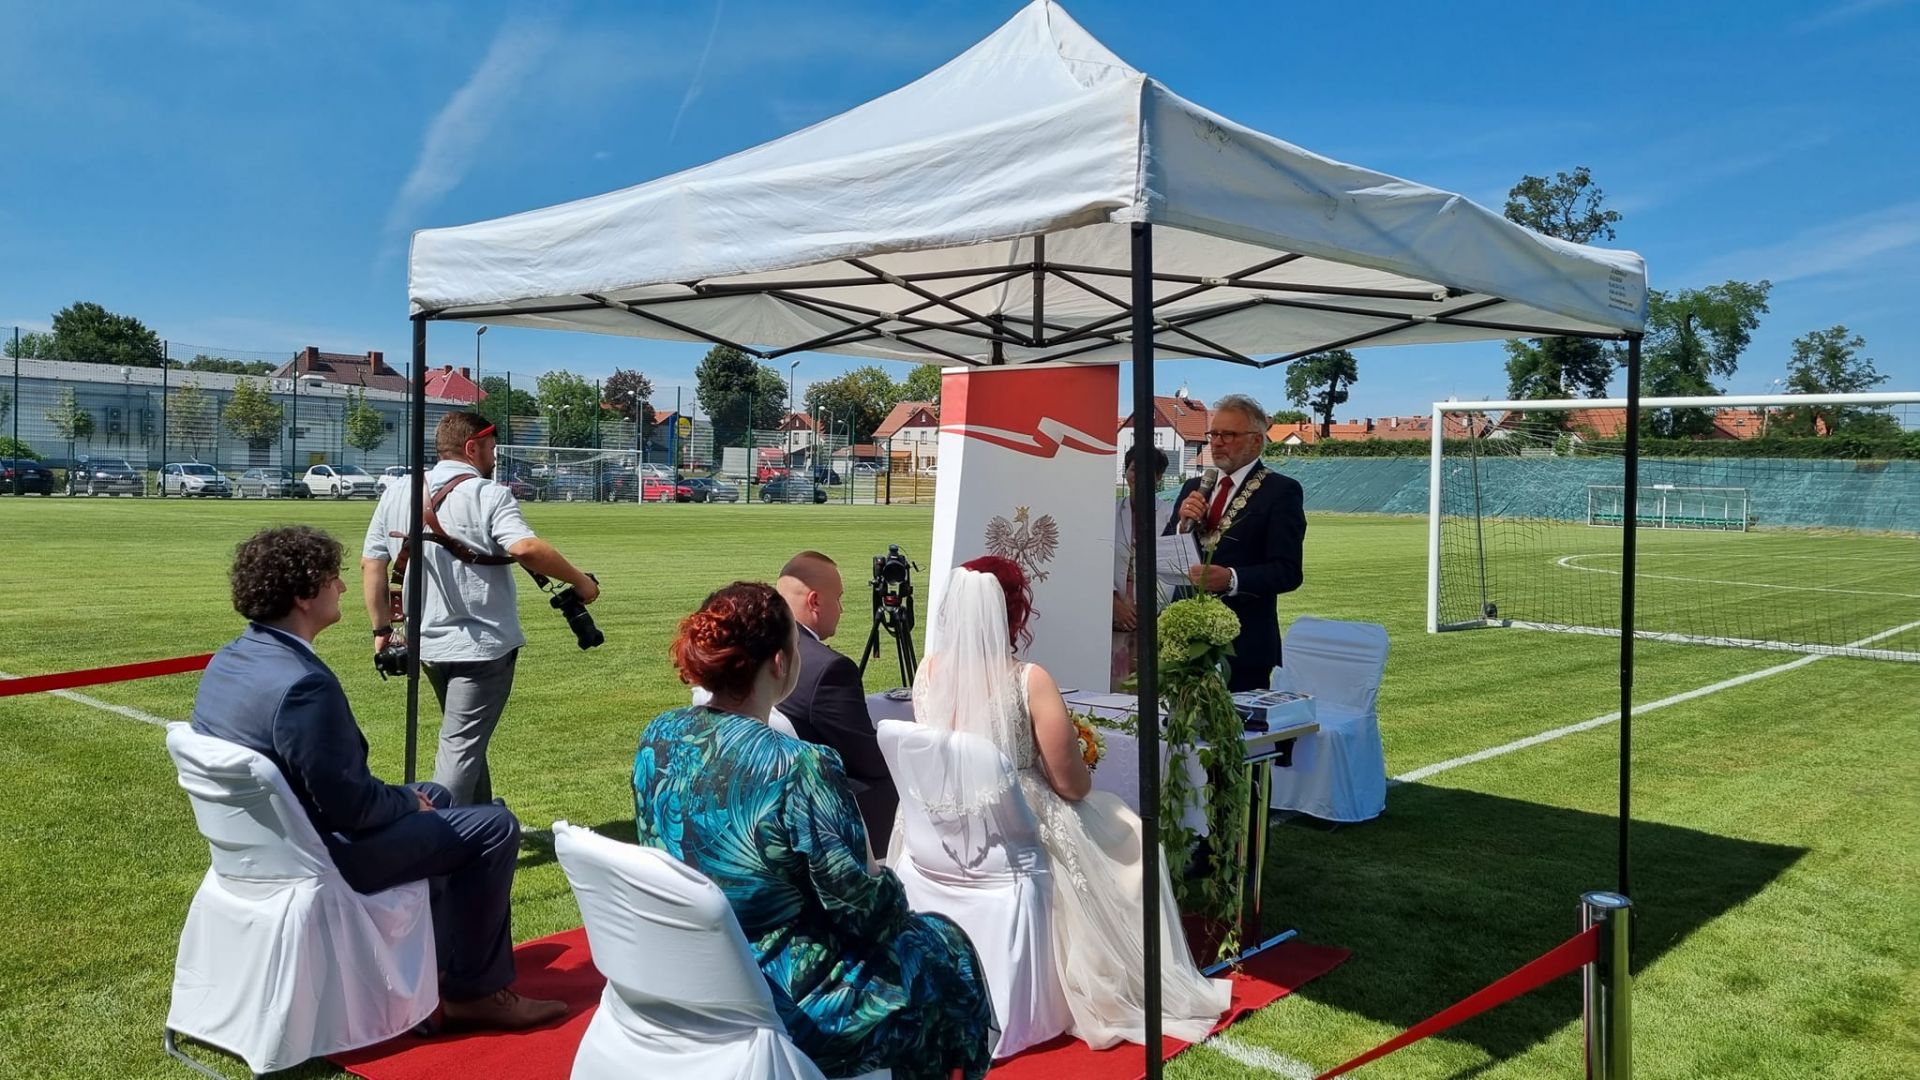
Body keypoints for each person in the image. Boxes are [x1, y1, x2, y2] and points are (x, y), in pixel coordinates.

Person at [191, 526, 567, 1030]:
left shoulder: (232, 658)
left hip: (264, 846)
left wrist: (413, 800)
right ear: (304, 596)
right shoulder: (304, 685)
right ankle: (474, 990)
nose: (343, 588)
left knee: (435, 793)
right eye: (332, 578)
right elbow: (350, 807)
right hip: (321, 854)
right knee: (494, 827)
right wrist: (407, 805)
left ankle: (434, 969)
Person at [636, 582, 994, 1080]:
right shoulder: (798, 764)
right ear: (781, 663)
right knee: (943, 952)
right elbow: (864, 911)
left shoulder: (660, 734)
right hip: (789, 992)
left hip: (691, 967)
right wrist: (887, 881)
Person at [907, 556, 1230, 1049]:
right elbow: (1072, 785)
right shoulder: (1028, 679)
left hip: (944, 830)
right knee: (1133, 834)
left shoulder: (927, 673)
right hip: (1012, 824)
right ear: (1015, 611)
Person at [361, 411, 600, 805]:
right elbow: (525, 548)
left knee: (465, 740)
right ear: (472, 448)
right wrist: (581, 582)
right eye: (490, 448)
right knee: (459, 745)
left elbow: (373, 565)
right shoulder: (489, 494)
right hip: (483, 646)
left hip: (424, 644)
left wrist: (381, 632)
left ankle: (480, 818)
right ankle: (438, 833)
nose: (493, 457)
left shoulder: (398, 492)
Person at [1164, 393, 1306, 692]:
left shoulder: (1280, 491)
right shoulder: (1194, 487)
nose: (1217, 442)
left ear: (1256, 440)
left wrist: (1232, 579)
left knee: (1238, 736)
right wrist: (1181, 523)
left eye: (1228, 434)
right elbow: (1164, 553)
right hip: (1184, 643)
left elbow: (1288, 571)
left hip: (1244, 647)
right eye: (1213, 434)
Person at [774, 550, 898, 855]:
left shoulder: (756, 646)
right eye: (839, 598)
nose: (841, 609)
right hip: (821, 810)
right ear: (815, 601)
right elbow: (870, 762)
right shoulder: (827, 669)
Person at [1112, 445, 1173, 687]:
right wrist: (1114, 603)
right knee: (1113, 685)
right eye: (1134, 469)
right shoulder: (1109, 511)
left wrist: (1147, 610)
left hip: (1152, 618)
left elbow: (1173, 568)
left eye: (1148, 470)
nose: (1139, 476)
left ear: (1158, 477)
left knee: (1146, 689)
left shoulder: (1171, 516)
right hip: (1113, 616)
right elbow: (1094, 561)